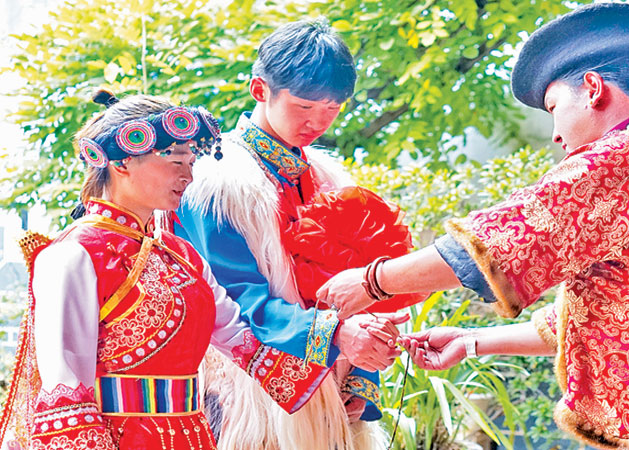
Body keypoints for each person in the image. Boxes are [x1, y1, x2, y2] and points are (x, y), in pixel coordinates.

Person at [317, 3, 629, 449]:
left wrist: (370, 282)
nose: (554, 133)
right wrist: (470, 341)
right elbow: (590, 321)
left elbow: (496, 242)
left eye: (553, 107)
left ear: (593, 88)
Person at [0, 91, 369, 450]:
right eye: (176, 162)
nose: (188, 177)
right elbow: (65, 386)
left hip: (193, 435)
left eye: (191, 164)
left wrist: (339, 358)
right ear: (122, 161)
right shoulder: (73, 255)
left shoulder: (181, 255)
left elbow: (240, 338)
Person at [174, 18, 424, 450]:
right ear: (260, 90)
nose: (318, 123)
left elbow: (364, 290)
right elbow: (235, 300)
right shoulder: (214, 182)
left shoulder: (329, 178)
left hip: (333, 388)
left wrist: (361, 378)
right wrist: (337, 338)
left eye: (332, 110)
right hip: (246, 393)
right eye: (305, 107)